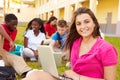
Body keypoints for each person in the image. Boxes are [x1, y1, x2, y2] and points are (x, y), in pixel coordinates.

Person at [22, 7, 118, 80]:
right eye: (78, 23)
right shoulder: (75, 43)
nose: (83, 26)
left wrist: (78, 77)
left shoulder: (107, 49)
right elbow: (76, 69)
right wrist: (70, 74)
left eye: (87, 22)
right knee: (34, 74)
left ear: (95, 23)